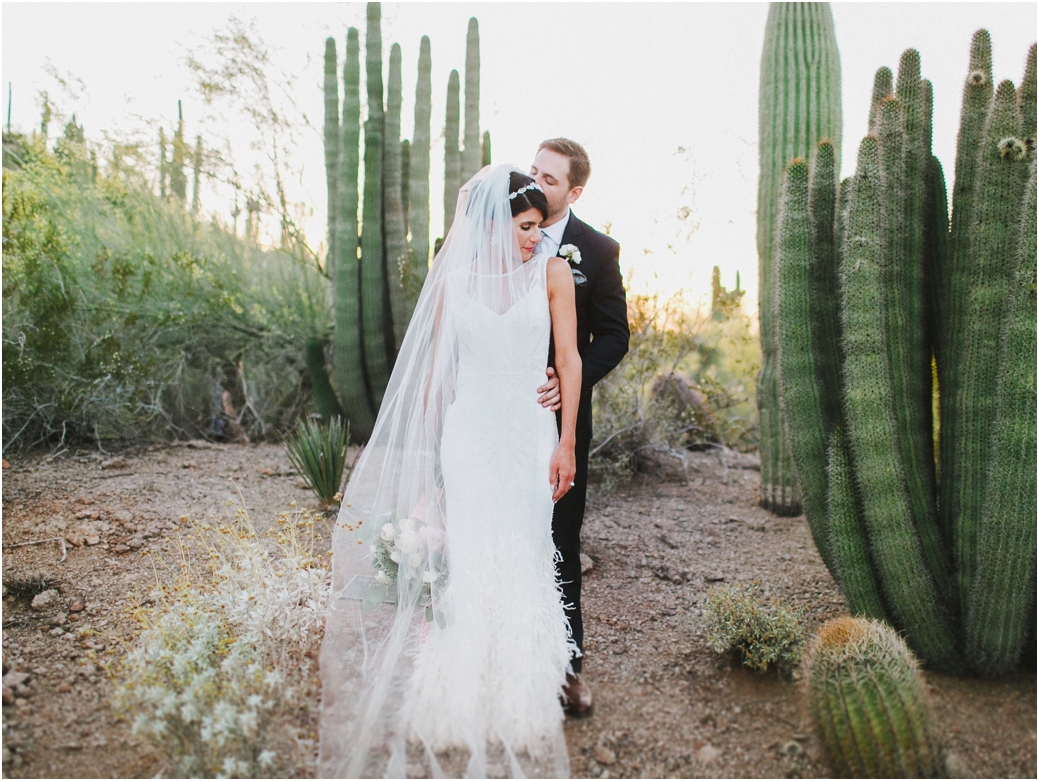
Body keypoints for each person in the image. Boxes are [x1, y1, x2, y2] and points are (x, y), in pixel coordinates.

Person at [319, 165, 582, 778]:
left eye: (539, 226)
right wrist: (428, 462)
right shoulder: (455, 280)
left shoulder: (552, 271)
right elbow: (437, 380)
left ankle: (519, 702)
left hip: (527, 434)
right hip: (469, 437)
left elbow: (567, 359)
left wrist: (566, 442)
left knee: (521, 550)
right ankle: (454, 698)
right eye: (524, 226)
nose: (533, 237)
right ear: (493, 222)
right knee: (468, 554)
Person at [531, 138, 630, 718]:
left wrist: (570, 383)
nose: (538, 184)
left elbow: (615, 335)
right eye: (535, 172)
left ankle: (569, 672)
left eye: (550, 179)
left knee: (561, 543)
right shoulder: (505, 231)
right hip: (499, 412)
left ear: (575, 191)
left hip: (562, 420)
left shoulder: (597, 250)